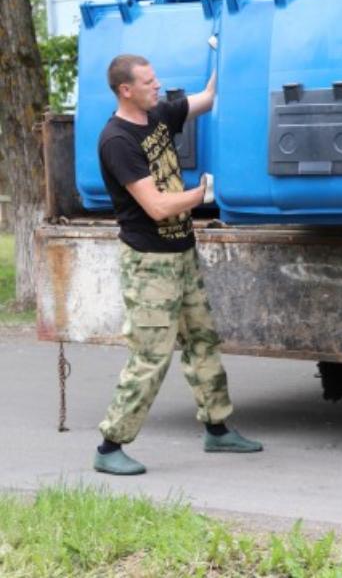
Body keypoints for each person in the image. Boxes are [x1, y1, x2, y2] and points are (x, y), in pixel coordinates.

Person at [92, 52, 261, 476]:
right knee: (151, 355)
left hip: (181, 254)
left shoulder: (159, 117)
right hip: (149, 264)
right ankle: (110, 445)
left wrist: (235, 48)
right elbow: (156, 206)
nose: (157, 85)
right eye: (148, 81)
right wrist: (203, 193)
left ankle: (218, 429)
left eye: (155, 78)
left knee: (203, 340)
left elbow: (206, 97)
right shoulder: (117, 140)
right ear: (125, 90)